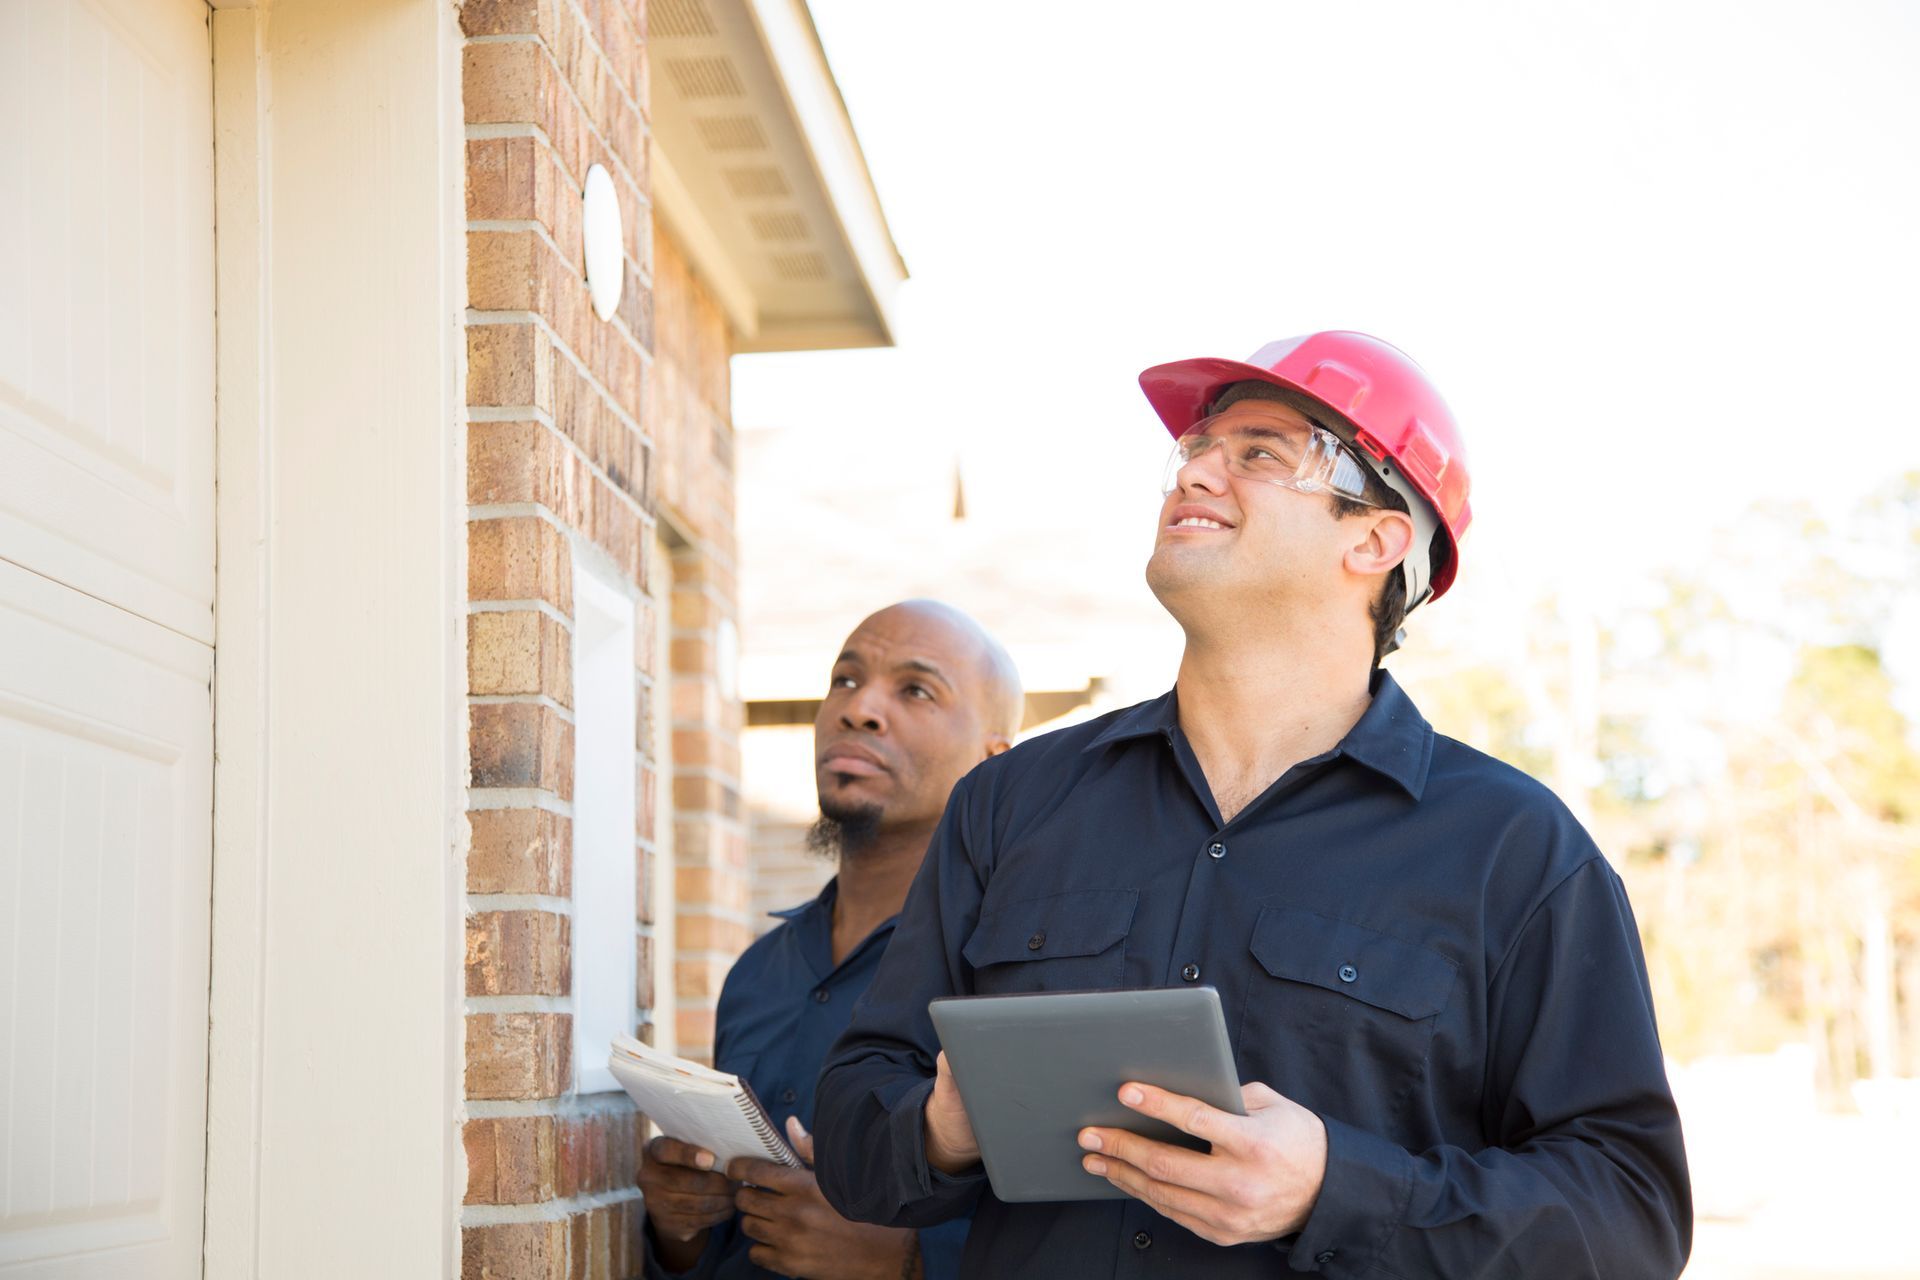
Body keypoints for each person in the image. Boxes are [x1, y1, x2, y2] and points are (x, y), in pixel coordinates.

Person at [812, 332, 1692, 1277]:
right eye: (1194, 452)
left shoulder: (1515, 852)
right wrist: (943, 1126)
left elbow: (1629, 1216)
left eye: (1259, 453)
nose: (1195, 475)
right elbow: (858, 1122)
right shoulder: (1010, 806)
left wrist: (1335, 1189)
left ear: (1377, 537)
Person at [640, 600, 1023, 1280]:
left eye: (916, 690)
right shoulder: (760, 971)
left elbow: (1080, 1227)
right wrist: (680, 1229)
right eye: (845, 680)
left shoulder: (1015, 973)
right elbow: (719, 1245)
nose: (860, 709)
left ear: (993, 761)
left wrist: (906, 1262)